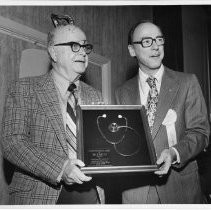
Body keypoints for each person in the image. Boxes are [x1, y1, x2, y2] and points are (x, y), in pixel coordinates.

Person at [1, 16, 105, 204]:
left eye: (85, 47)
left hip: (90, 194)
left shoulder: (95, 96)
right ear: (53, 53)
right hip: (40, 195)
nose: (82, 52)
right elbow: (12, 143)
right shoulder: (24, 89)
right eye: (75, 46)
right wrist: (61, 168)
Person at [115, 21, 210, 204]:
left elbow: (201, 132)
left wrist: (174, 152)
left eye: (159, 39)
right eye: (147, 41)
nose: (156, 46)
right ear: (132, 50)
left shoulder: (187, 82)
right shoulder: (122, 92)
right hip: (136, 193)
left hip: (180, 190)